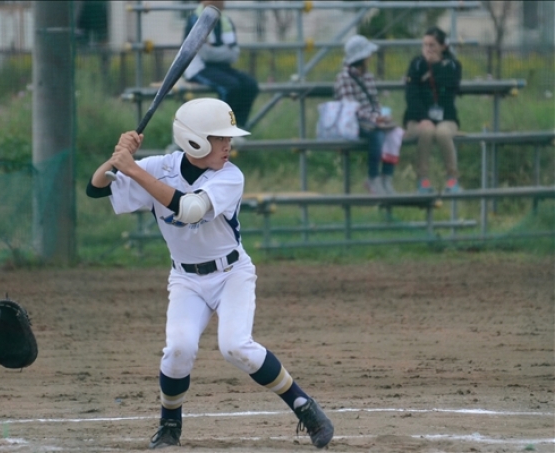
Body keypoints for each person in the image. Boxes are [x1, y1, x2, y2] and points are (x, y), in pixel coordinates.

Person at [86, 98, 334, 450]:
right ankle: (170, 424)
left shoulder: (230, 176)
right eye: (219, 138)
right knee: (178, 350)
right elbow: (96, 188)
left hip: (231, 273)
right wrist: (117, 159)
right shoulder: (160, 167)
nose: (227, 145)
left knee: (236, 347)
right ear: (195, 140)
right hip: (186, 279)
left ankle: (304, 406)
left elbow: (190, 209)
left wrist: (133, 169)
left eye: (227, 138)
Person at [403, 26, 463, 194]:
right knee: (427, 131)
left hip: (446, 117)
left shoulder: (453, 65)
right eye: (425, 45)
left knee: (443, 133)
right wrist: (422, 117)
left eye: (432, 45)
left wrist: (436, 66)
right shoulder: (416, 64)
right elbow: (411, 94)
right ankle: (422, 179)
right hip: (417, 118)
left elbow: (452, 87)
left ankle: (452, 179)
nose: (428, 49)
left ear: (442, 47)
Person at [335, 35, 397, 195]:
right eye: (368, 54)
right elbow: (350, 108)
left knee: (395, 132)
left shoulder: (368, 76)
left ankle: (386, 177)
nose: (370, 57)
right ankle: (373, 177)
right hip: (353, 121)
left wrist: (380, 115)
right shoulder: (344, 78)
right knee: (377, 133)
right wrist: (375, 118)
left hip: (370, 119)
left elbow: (374, 101)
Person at [183, 0, 259, 129]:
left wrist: (215, 50)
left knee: (250, 85)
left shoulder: (225, 21)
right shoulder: (195, 20)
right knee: (230, 86)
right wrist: (225, 51)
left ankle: (238, 127)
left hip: (222, 68)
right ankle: (219, 129)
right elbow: (205, 54)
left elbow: (234, 54)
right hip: (199, 68)